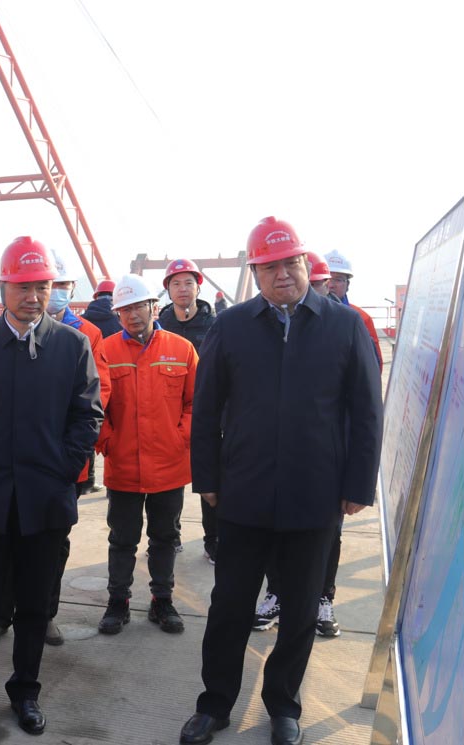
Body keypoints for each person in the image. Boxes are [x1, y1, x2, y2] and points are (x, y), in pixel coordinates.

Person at [179, 216, 383, 745]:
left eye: (290, 263)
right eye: (269, 267)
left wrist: (358, 484)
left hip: (315, 494)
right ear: (255, 273)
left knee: (300, 610)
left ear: (305, 264)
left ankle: (283, 706)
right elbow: (206, 408)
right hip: (243, 493)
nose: (282, 274)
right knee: (230, 605)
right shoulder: (232, 326)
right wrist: (207, 477)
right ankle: (214, 703)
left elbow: (366, 411)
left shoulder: (344, 326)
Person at [0, 237, 102, 745]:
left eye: (42, 287)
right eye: (23, 287)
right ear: (3, 288)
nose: (33, 297)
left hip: (45, 500)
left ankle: (25, 693)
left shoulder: (71, 346)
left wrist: (63, 470)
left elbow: (87, 416)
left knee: (34, 606)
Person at [0, 249, 112, 646]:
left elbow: (98, 394)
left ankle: (43, 614)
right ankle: (2, 612)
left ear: (69, 288)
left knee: (52, 545)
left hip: (61, 465)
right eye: (47, 284)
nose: (49, 293)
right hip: (12, 465)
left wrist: (68, 456)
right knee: (7, 539)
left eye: (58, 285)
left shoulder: (85, 335)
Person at [252, 251, 350, 639]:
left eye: (326, 284)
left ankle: (323, 597)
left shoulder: (350, 324)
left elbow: (364, 398)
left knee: (328, 536)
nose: (322, 290)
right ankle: (277, 592)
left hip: (328, 459)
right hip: (281, 458)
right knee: (277, 531)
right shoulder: (277, 326)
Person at [94, 274, 197, 637]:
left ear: (155, 307)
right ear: (118, 314)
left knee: (165, 537)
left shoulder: (182, 350)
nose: (133, 315)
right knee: (122, 539)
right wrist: (107, 441)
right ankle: (117, 602)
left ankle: (162, 601)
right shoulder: (106, 351)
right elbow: (94, 406)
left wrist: (180, 437)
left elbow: (195, 402)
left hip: (169, 465)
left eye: (139, 306)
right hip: (123, 465)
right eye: (125, 310)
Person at [156, 259, 218, 562]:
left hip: (209, 411)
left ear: (198, 287)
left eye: (188, 283)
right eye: (176, 284)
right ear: (168, 290)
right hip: (169, 413)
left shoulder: (215, 324)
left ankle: (213, 540)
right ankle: (171, 535)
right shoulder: (159, 325)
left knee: (210, 478)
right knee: (170, 480)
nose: (183, 289)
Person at [324, 250, 385, 372]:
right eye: (326, 278)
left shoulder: (362, 318)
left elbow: (375, 366)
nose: (331, 285)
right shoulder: (300, 316)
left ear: (348, 285)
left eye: (338, 279)